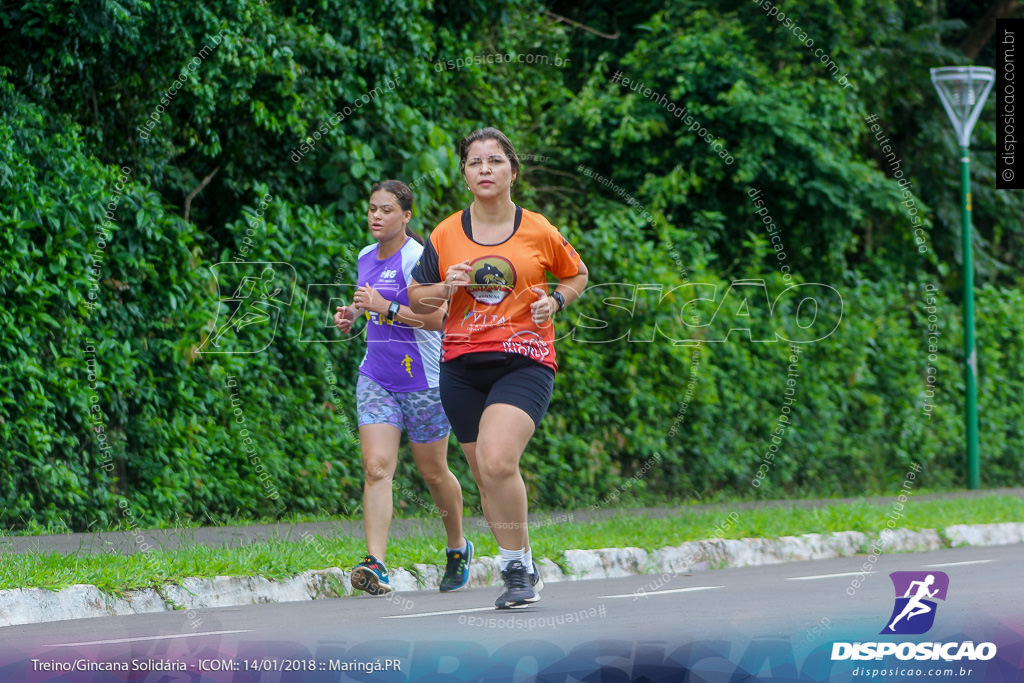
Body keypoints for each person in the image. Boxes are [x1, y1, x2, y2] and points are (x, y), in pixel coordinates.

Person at [408, 128, 589, 608]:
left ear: (513, 169)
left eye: (494, 161)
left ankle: (514, 571)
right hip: (461, 368)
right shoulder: (445, 233)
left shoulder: (539, 229)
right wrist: (445, 285)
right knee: (486, 477)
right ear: (465, 175)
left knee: (498, 461)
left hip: (524, 362)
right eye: (474, 162)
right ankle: (523, 558)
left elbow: (577, 273)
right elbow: (415, 296)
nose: (484, 169)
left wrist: (555, 300)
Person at [333, 180, 472, 596]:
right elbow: (367, 300)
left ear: (406, 216)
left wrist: (386, 309)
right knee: (376, 468)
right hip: (376, 376)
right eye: (372, 208)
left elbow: (440, 319)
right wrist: (353, 315)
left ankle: (457, 546)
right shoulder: (364, 256)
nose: (376, 216)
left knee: (433, 472)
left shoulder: (419, 259)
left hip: (424, 381)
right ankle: (376, 563)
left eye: (386, 210)